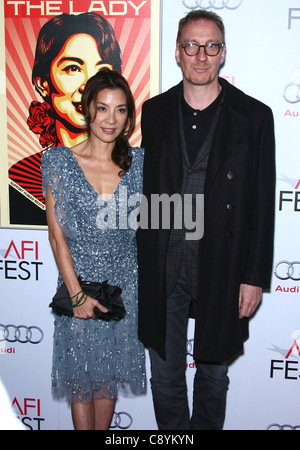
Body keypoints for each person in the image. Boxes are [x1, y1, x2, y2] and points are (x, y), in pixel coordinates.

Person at [137, 10, 275, 430]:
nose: (201, 55)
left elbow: (263, 204)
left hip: (223, 262)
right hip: (164, 261)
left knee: (214, 375)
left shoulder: (254, 116)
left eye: (210, 46)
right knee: (164, 376)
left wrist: (253, 276)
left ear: (223, 53)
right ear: (178, 52)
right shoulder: (154, 112)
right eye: (191, 46)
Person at [41, 69, 146, 430]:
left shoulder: (140, 164)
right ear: (88, 109)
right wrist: (76, 296)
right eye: (103, 109)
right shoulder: (58, 162)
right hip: (78, 283)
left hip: (124, 286)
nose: (110, 119)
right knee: (80, 380)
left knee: (108, 377)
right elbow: (57, 237)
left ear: (129, 117)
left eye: (120, 111)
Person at [9, 12, 122, 225]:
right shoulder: (21, 179)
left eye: (101, 71)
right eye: (73, 68)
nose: (88, 86)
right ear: (43, 83)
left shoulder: (132, 168)